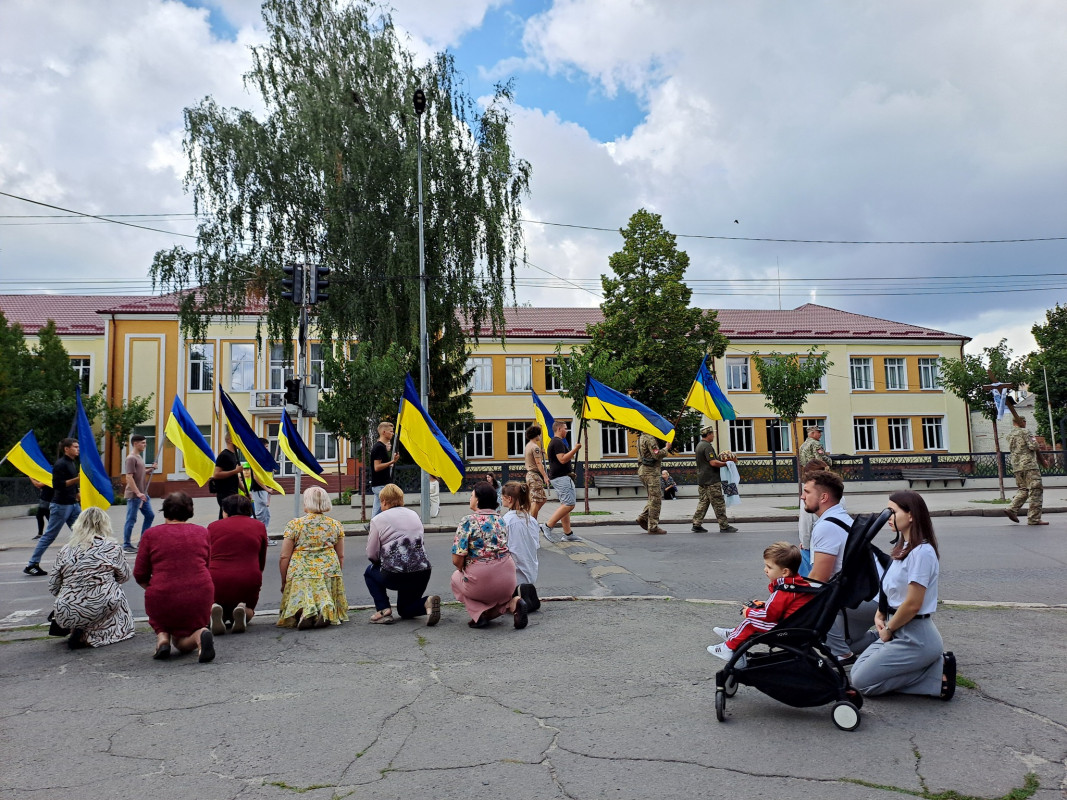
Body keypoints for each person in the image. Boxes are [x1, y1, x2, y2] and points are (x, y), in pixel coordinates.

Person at [851, 491, 956, 701]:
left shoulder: (922, 552)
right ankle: (932, 668)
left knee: (862, 683)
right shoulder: (904, 548)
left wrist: (889, 629)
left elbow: (913, 604)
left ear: (911, 515)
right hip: (897, 630)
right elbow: (890, 589)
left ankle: (935, 674)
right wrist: (880, 615)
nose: (888, 517)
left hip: (915, 637)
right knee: (856, 674)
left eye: (893, 511)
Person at [134, 492, 216, 662]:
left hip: (162, 596)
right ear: (190, 511)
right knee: (183, 641)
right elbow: (206, 566)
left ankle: (163, 637)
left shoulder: (150, 535)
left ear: (164, 511)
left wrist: (155, 588)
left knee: (163, 620)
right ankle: (200, 635)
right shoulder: (202, 532)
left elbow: (139, 573)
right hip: (200, 593)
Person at [706, 542, 814, 668]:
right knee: (754, 618)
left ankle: (728, 647)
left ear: (784, 572)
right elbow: (783, 607)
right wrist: (764, 605)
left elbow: (769, 615)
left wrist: (748, 612)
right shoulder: (797, 584)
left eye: (769, 567)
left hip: (786, 628)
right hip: (796, 624)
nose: (765, 570)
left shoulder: (783, 590)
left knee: (750, 622)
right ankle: (734, 634)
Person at [47, 507, 135, 649]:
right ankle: (94, 635)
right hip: (100, 606)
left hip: (65, 610)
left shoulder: (65, 550)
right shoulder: (112, 547)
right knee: (115, 590)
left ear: (78, 525)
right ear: (105, 524)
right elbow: (124, 577)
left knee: (97, 595)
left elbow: (53, 586)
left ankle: (77, 628)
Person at [451, 482, 528, 629]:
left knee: (456, 579)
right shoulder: (501, 519)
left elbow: (457, 559)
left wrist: (463, 569)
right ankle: (512, 603)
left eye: (472, 495)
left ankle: (480, 615)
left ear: (478, 500)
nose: (470, 498)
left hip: (482, 576)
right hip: (508, 579)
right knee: (494, 592)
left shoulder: (468, 521)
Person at [364, 483, 440, 625]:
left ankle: (383, 609)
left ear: (384, 501)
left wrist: (381, 562)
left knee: (369, 572)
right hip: (422, 571)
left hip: (396, 574)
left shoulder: (378, 519)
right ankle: (427, 603)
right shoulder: (413, 514)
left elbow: (371, 554)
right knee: (405, 610)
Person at [801, 470, 856, 663]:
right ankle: (884, 645)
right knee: (851, 642)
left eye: (807, 492)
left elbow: (819, 579)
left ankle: (843, 655)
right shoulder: (841, 517)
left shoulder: (826, 526)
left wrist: (791, 593)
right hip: (864, 594)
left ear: (823, 497)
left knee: (813, 602)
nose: (802, 496)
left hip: (857, 599)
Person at [277, 486, 348, 629]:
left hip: (301, 569)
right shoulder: (335, 524)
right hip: (328, 568)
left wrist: (284, 579)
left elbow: (284, 556)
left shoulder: (295, 525)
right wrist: (336, 573)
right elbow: (340, 555)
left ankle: (305, 612)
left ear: (307, 503)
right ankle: (324, 609)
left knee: (300, 594)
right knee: (322, 589)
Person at [207, 494, 268, 635]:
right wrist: (257, 573)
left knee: (210, 606)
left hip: (217, 578)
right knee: (250, 610)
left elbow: (207, 556)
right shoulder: (259, 526)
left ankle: (217, 612)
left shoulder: (213, 527)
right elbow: (261, 557)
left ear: (226, 511)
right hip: (248, 576)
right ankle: (242, 612)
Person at [25, 438, 82, 576]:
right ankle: (32, 564)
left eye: (78, 446)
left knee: (83, 533)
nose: (78, 449)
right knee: (50, 535)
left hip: (73, 504)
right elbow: (58, 485)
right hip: (61, 505)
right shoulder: (60, 464)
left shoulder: (72, 463)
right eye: (75, 447)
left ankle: (82, 562)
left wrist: (78, 494)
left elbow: (73, 484)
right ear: (66, 449)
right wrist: (76, 480)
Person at [501, 480, 541, 613]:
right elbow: (535, 545)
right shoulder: (532, 520)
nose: (501, 499)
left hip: (514, 574)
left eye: (502, 497)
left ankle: (515, 600)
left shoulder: (507, 520)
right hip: (530, 572)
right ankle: (524, 594)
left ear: (509, 499)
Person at [692, 425, 737, 533]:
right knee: (719, 503)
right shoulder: (707, 446)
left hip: (702, 479)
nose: (713, 436)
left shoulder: (699, 445)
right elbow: (713, 463)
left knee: (703, 502)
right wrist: (727, 464)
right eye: (712, 434)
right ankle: (724, 526)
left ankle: (696, 524)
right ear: (708, 435)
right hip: (711, 480)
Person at [541, 420, 581, 542]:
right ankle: (547, 526)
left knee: (565, 505)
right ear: (559, 429)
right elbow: (562, 459)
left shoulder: (557, 442)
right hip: (561, 477)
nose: (567, 431)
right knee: (569, 504)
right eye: (565, 428)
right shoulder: (557, 442)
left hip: (561, 476)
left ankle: (568, 533)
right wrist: (575, 449)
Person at [1006, 417, 1046, 525]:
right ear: (1022, 422)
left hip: (1017, 466)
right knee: (1036, 491)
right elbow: (1033, 446)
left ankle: (1012, 508)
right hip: (1029, 466)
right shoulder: (1026, 432)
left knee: (1023, 489)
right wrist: (1037, 443)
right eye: (1025, 422)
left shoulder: (1009, 435)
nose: (1026, 424)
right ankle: (1034, 518)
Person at [122, 433, 155, 553]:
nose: (145, 445)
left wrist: (149, 470)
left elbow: (139, 473)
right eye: (143, 443)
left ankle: (142, 542)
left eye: (145, 443)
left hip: (143, 493)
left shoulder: (139, 457)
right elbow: (129, 477)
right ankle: (126, 545)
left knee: (150, 515)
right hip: (135, 495)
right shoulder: (131, 458)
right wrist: (137, 493)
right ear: (135, 443)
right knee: (131, 519)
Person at [797, 459, 830, 576]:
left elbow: (806, 523)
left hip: (814, 546)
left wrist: (805, 544)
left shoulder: (809, 495)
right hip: (831, 545)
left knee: (810, 580)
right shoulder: (836, 492)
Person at [636, 432, 666, 535]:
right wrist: (666, 448)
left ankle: (643, 517)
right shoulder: (650, 438)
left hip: (643, 471)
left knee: (653, 498)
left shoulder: (641, 438)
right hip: (651, 472)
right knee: (656, 500)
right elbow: (656, 454)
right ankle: (653, 527)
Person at [370, 421, 401, 518]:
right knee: (389, 506)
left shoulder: (381, 447)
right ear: (384, 432)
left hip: (380, 483)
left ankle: (372, 526)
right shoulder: (379, 447)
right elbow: (377, 467)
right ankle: (374, 526)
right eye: (390, 431)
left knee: (378, 509)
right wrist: (392, 462)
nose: (392, 433)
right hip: (381, 484)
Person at [212, 431, 243, 520]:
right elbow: (216, 474)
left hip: (232, 491)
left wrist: (244, 490)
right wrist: (235, 471)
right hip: (225, 492)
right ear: (230, 440)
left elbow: (235, 476)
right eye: (237, 439)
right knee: (226, 517)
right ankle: (219, 532)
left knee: (230, 516)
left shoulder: (234, 455)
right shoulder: (224, 455)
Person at [523, 424, 550, 520]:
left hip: (530, 475)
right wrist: (545, 476)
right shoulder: (535, 447)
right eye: (540, 434)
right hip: (534, 475)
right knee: (536, 500)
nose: (540, 436)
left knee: (542, 499)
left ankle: (531, 516)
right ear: (537, 435)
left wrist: (540, 453)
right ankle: (532, 520)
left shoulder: (528, 445)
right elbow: (538, 463)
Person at [249, 436, 275, 534]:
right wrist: (266, 489)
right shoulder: (257, 459)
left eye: (268, 447)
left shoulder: (264, 459)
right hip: (258, 489)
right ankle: (247, 527)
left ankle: (264, 535)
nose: (267, 449)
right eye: (265, 446)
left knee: (266, 515)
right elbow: (256, 477)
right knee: (259, 514)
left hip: (264, 489)